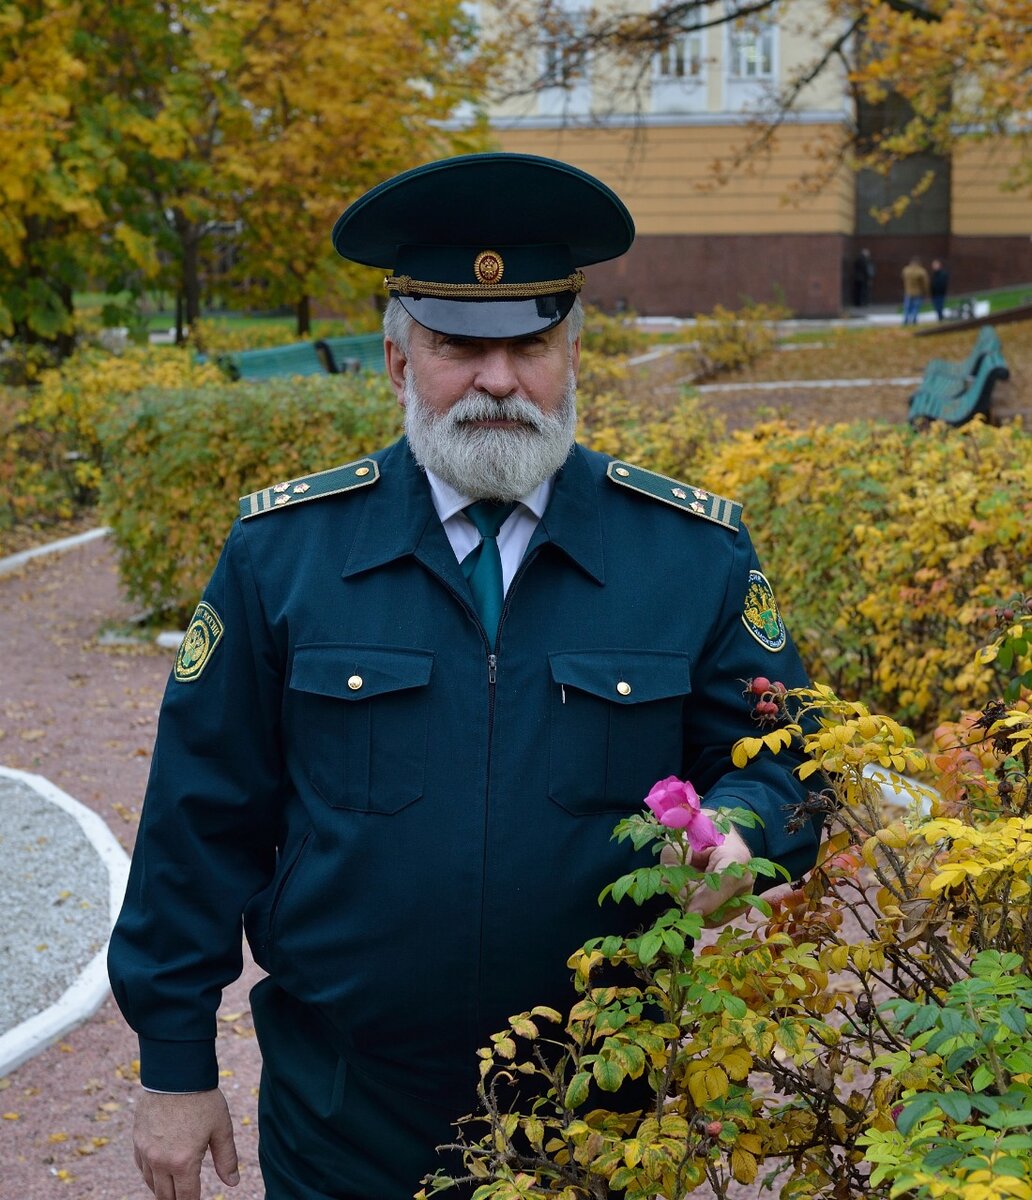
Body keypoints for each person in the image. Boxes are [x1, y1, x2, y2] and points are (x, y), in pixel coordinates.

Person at [108, 152, 822, 1200]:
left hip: (611, 1108)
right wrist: (174, 1066)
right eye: (458, 347)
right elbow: (200, 814)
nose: (499, 382)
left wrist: (742, 833)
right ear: (398, 361)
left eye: (531, 344)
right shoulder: (285, 554)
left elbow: (787, 761)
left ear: (574, 352)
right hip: (347, 1108)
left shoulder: (690, 555)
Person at [902, 255, 929, 325]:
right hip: (918, 292)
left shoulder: (906, 270)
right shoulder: (921, 271)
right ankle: (914, 319)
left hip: (908, 292)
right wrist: (925, 291)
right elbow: (925, 283)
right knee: (916, 307)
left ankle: (906, 320)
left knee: (907, 307)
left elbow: (903, 279)